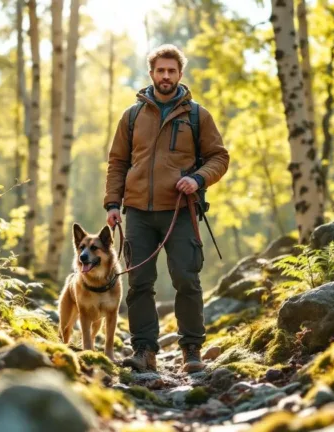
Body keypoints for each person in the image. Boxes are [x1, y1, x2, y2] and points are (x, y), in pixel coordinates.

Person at [103, 44, 230, 373]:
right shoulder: (131, 117)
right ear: (151, 74)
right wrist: (113, 204)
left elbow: (219, 157)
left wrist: (199, 179)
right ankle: (144, 351)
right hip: (138, 215)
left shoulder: (197, 115)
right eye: (160, 70)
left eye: (172, 71)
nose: (166, 76)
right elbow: (117, 162)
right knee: (139, 283)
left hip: (181, 211)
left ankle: (191, 351)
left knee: (186, 279)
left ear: (180, 74)